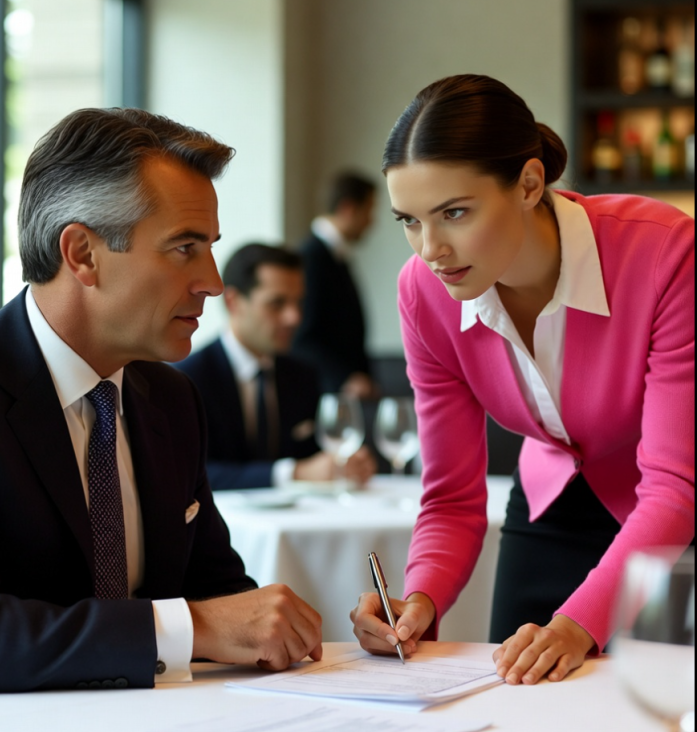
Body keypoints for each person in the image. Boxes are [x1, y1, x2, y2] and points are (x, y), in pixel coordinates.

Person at [0, 108, 322, 708]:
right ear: (82, 253)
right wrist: (198, 627)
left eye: (210, 249)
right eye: (185, 248)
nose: (213, 283)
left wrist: (287, 627)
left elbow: (219, 595)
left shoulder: (170, 398)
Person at [352, 74, 694, 687]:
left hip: (676, 520)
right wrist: (419, 601)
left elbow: (674, 488)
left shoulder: (666, 254)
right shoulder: (423, 293)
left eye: (454, 212)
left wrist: (578, 625)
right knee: (512, 704)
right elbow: (452, 495)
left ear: (530, 184)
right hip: (552, 503)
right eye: (409, 220)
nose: (431, 249)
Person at [173, 243, 376, 491]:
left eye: (298, 303)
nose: (294, 317)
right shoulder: (186, 378)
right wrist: (293, 473)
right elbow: (186, 473)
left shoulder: (302, 376)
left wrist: (342, 465)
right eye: (277, 304)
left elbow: (316, 457)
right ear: (233, 302)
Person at [292, 171, 379, 399]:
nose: (371, 221)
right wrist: (345, 377)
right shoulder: (312, 258)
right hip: (327, 393)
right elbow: (303, 336)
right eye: (369, 211)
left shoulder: (335, 255)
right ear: (348, 208)